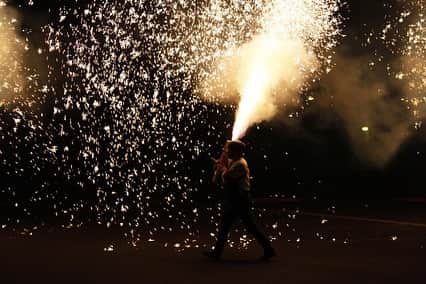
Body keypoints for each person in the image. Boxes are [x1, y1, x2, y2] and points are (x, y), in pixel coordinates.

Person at [203, 140, 276, 261]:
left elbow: (227, 177)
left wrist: (221, 168)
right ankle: (217, 252)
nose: (227, 152)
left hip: (240, 200)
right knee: (228, 226)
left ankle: (268, 249)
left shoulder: (240, 164)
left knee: (248, 227)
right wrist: (220, 165)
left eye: (230, 150)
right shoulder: (235, 161)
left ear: (238, 152)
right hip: (236, 199)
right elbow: (226, 171)